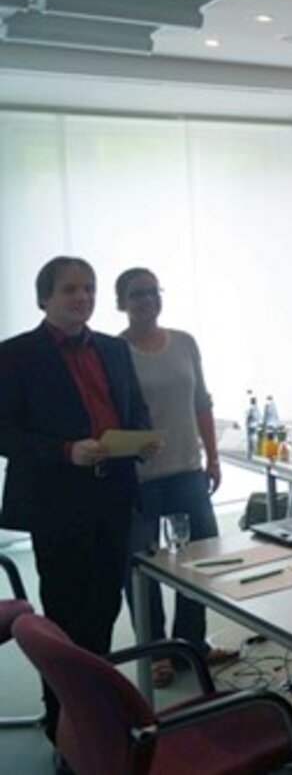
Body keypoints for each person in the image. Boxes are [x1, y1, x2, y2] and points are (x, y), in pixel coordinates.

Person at [0, 256, 156, 745]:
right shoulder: (15, 354)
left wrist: (142, 439)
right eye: (70, 289)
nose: (82, 297)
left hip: (115, 494)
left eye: (88, 288)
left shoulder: (114, 348)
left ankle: (99, 716)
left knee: (105, 609)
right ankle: (64, 726)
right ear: (44, 297)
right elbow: (5, 432)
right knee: (66, 619)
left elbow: (135, 409)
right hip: (58, 502)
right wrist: (66, 450)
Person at [115, 268, 234, 687]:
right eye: (137, 294)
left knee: (200, 561)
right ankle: (156, 653)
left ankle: (191, 645)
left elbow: (201, 402)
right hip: (140, 478)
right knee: (143, 568)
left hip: (187, 470)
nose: (147, 300)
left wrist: (213, 458)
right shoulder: (114, 351)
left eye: (153, 292)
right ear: (121, 303)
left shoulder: (184, 342)